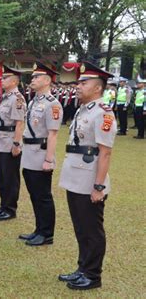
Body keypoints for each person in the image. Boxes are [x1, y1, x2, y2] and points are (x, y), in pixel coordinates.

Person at [58, 61, 117, 290]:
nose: (78, 85)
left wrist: (99, 187)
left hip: (90, 180)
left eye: (84, 82)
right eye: (78, 82)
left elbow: (105, 152)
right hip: (75, 177)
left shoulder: (103, 113)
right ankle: (82, 268)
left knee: (92, 231)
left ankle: (93, 276)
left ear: (98, 88)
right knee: (81, 228)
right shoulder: (84, 109)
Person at [19, 61, 63, 246]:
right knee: (34, 194)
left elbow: (53, 134)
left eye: (37, 77)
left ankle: (47, 234)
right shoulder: (34, 101)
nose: (33, 79)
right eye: (33, 76)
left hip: (40, 154)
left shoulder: (53, 105)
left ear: (46, 80)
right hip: (29, 152)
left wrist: (49, 160)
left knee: (43, 195)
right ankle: (38, 229)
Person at [0, 65, 26, 221]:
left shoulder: (17, 98)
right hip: (2, 139)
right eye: (2, 78)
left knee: (10, 177)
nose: (2, 80)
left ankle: (10, 209)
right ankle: (3, 205)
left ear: (15, 81)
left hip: (10, 141)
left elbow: (19, 123)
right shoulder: (7, 97)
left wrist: (16, 144)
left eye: (6, 78)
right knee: (2, 176)